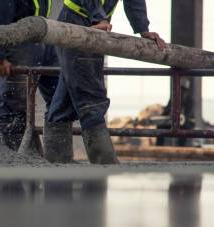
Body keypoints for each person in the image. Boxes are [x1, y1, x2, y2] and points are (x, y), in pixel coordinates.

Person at [45, 0, 166, 164]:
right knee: (91, 98)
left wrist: (143, 29)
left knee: (64, 102)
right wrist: (98, 18)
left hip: (95, 24)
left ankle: (57, 165)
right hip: (77, 20)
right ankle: (105, 167)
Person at [0, 0, 59, 151]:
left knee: (58, 97)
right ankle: (18, 160)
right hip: (19, 40)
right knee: (14, 104)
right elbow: (1, 13)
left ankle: (55, 159)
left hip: (44, 35)